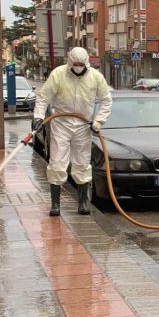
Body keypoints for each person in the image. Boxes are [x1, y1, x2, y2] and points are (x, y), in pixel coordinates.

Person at [33, 46, 112, 216]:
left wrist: (98, 121)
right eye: (75, 64)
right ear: (69, 62)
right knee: (57, 162)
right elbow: (43, 96)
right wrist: (38, 117)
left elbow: (106, 101)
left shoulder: (96, 77)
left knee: (82, 163)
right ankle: (55, 205)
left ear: (86, 63)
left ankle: (82, 203)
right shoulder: (58, 74)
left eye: (81, 64)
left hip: (83, 126)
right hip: (61, 123)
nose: (78, 67)